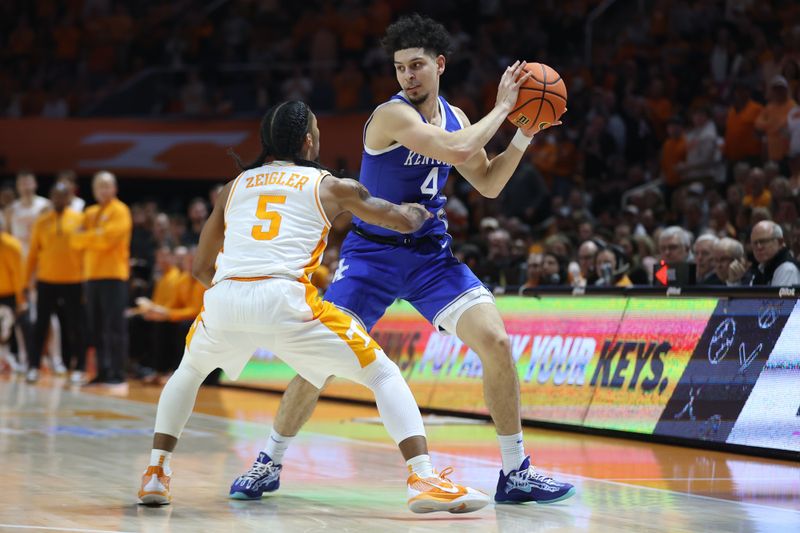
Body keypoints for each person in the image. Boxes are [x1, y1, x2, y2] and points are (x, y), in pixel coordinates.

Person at [233, 15, 575, 505]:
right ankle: (269, 461)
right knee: (319, 362)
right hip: (371, 255)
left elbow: (491, 183)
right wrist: (503, 108)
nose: (408, 76)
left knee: (496, 341)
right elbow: (456, 148)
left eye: (417, 66)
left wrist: (523, 133)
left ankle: (516, 471)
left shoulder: (457, 118)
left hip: (430, 255)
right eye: (399, 68)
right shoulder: (390, 116)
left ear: (439, 65)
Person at [138, 101, 490, 514]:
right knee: (381, 372)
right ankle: (423, 477)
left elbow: (200, 268)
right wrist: (418, 210)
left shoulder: (234, 185)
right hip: (287, 301)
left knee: (189, 372)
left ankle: (156, 473)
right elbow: (399, 220)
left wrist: (239, 297)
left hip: (225, 297)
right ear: (309, 139)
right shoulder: (330, 185)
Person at [72, 171, 132, 389]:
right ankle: (102, 370)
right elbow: (74, 241)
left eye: (107, 186)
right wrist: (93, 236)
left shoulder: (120, 211)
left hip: (114, 276)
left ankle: (117, 372)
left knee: (115, 326)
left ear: (114, 188)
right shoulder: (90, 212)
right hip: (92, 277)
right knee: (95, 327)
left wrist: (88, 237)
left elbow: (107, 240)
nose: (103, 190)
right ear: (94, 190)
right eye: (99, 186)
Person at [25, 183, 86, 384]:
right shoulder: (41, 221)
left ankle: (79, 367)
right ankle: (33, 367)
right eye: (56, 196)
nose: (59, 199)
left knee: (75, 325)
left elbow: (85, 250)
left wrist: (86, 279)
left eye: (63, 196)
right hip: (46, 280)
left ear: (69, 198)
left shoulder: (79, 219)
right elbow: (33, 253)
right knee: (40, 325)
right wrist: (26, 281)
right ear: (51, 198)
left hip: (73, 280)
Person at [729, 220, 800, 286]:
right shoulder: (762, 269)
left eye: (763, 241)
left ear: (780, 242)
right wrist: (735, 282)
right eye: (755, 243)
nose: (759, 247)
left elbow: (780, 299)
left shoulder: (787, 269)